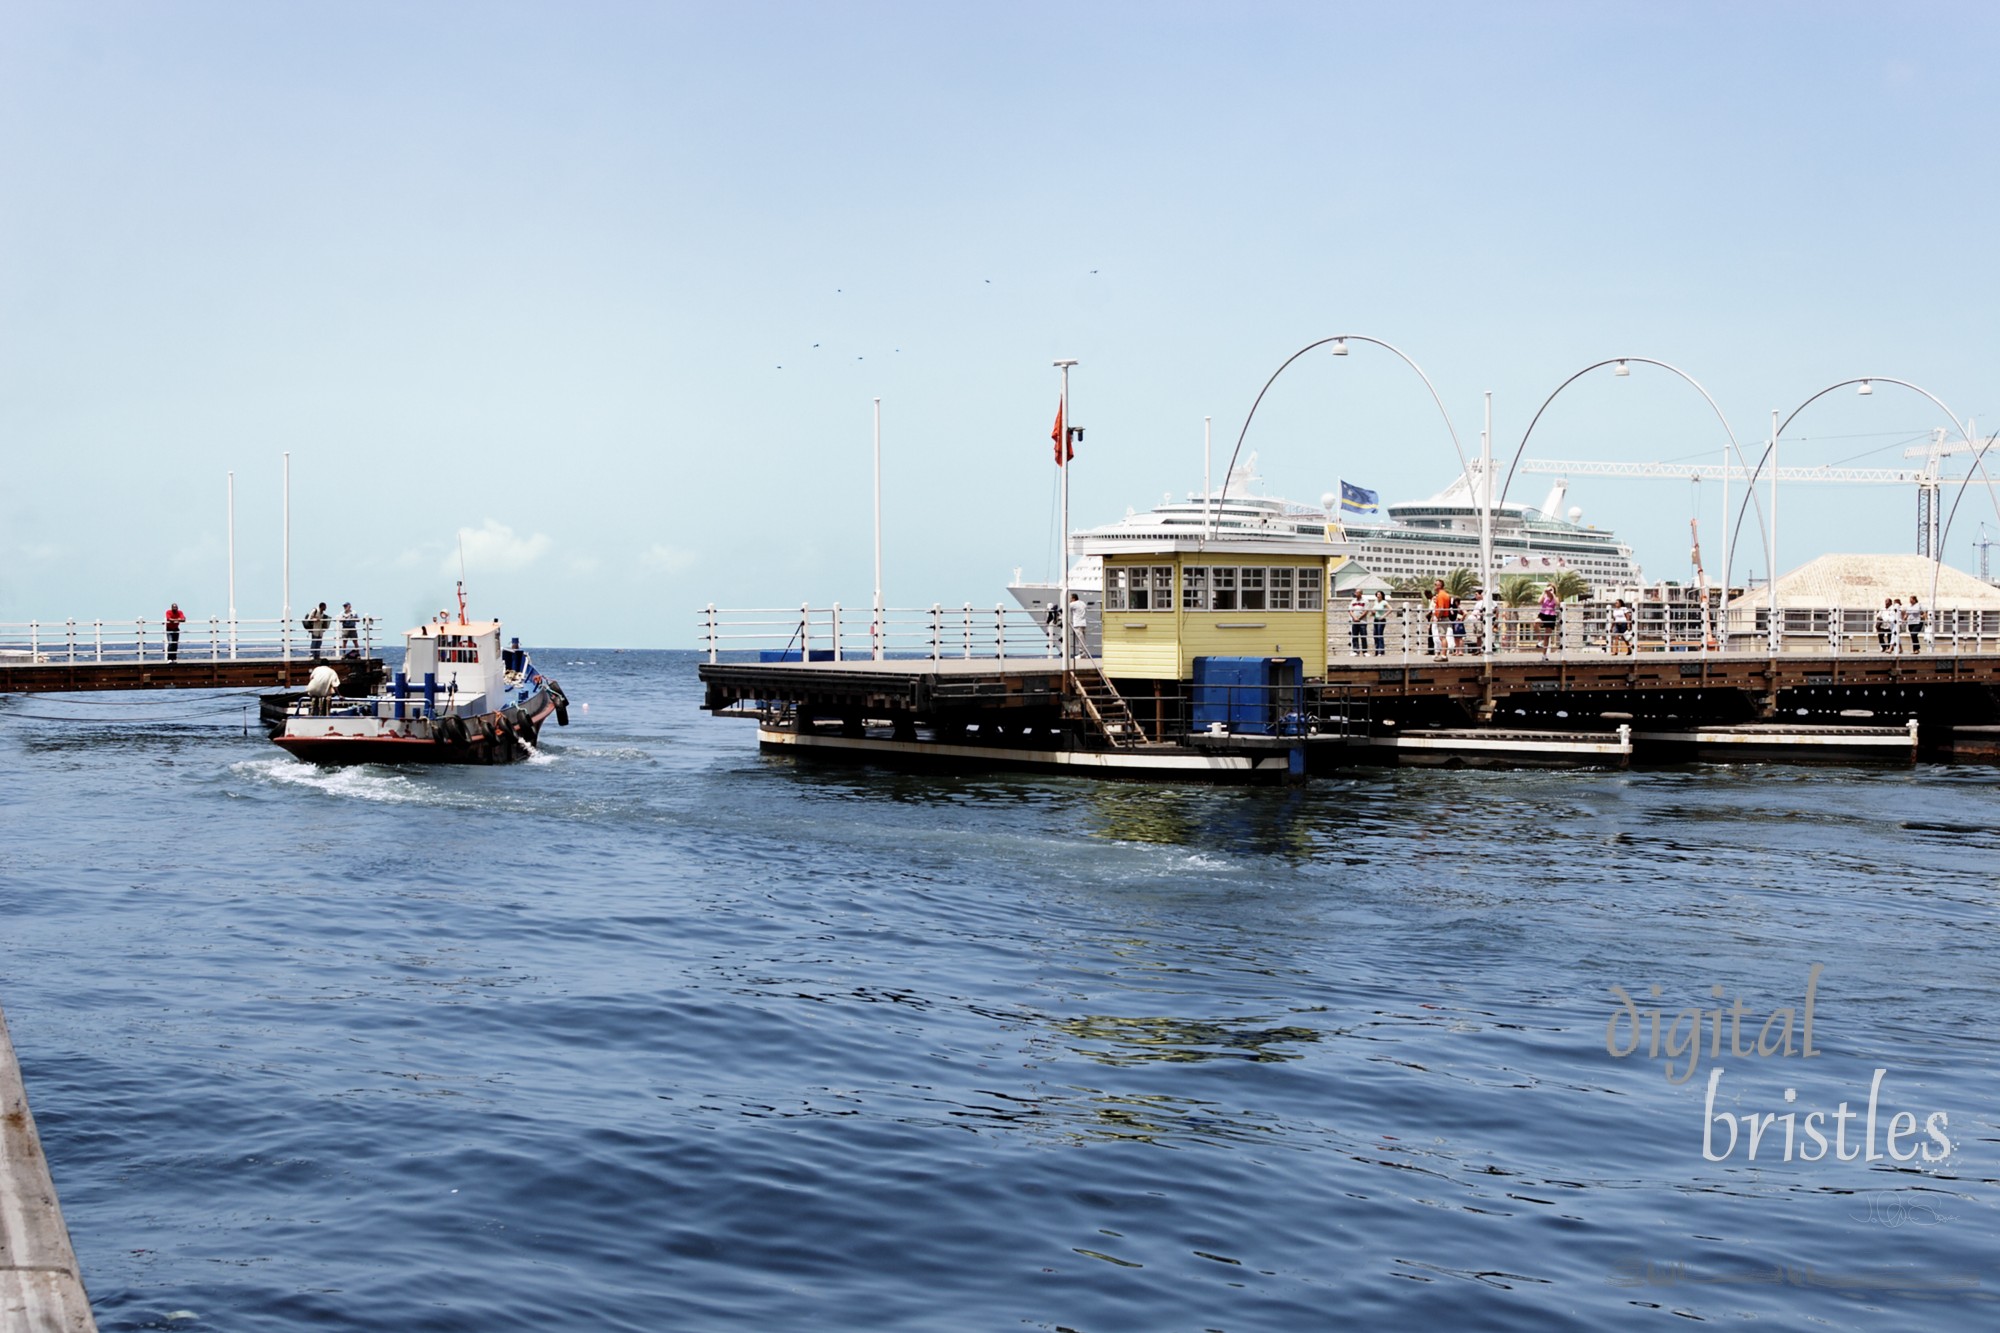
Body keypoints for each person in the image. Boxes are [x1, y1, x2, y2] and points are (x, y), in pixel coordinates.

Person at [1430, 579, 1453, 660]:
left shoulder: (1440, 595)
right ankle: (1443, 654)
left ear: (1439, 586)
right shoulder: (1446, 594)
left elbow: (1441, 608)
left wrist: (1438, 617)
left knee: (1442, 637)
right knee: (1442, 636)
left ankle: (1443, 655)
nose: (1434, 586)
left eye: (1436, 584)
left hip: (1442, 618)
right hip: (1445, 617)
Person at [1537, 585, 1562, 658]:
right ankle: (1539, 640)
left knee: (1546, 637)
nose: (1549, 591)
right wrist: (1544, 592)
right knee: (1536, 623)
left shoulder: (1555, 598)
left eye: (1551, 589)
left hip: (1551, 616)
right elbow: (1539, 601)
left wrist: (1553, 593)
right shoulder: (1544, 596)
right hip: (1543, 614)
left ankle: (1544, 655)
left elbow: (1558, 604)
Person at [1065, 592, 1087, 658]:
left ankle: (1082, 654)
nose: (1069, 600)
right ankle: (1084, 654)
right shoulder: (1082, 603)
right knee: (1083, 639)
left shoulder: (1073, 604)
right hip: (1083, 623)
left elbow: (1066, 607)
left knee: (1080, 639)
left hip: (1077, 623)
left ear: (1073, 599)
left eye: (1070, 598)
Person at [1348, 590, 1369, 656]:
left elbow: (1366, 611)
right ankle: (1356, 651)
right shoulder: (1353, 601)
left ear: (1361, 593)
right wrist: (1354, 618)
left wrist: (1359, 618)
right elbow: (1350, 610)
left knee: (1363, 636)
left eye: (1357, 593)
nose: (1355, 594)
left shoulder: (1365, 601)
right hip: (1354, 621)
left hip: (1362, 622)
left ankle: (1365, 651)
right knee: (1354, 636)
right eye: (1355, 592)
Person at [1371, 590, 1390, 657]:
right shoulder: (1375, 602)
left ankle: (1380, 651)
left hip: (1381, 620)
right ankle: (1376, 650)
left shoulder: (1384, 602)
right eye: (1377, 594)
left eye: (1379, 594)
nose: (1378, 595)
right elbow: (1373, 610)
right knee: (1375, 635)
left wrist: (1383, 616)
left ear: (1382, 595)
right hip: (1375, 619)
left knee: (1379, 635)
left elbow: (1390, 609)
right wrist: (1372, 613)